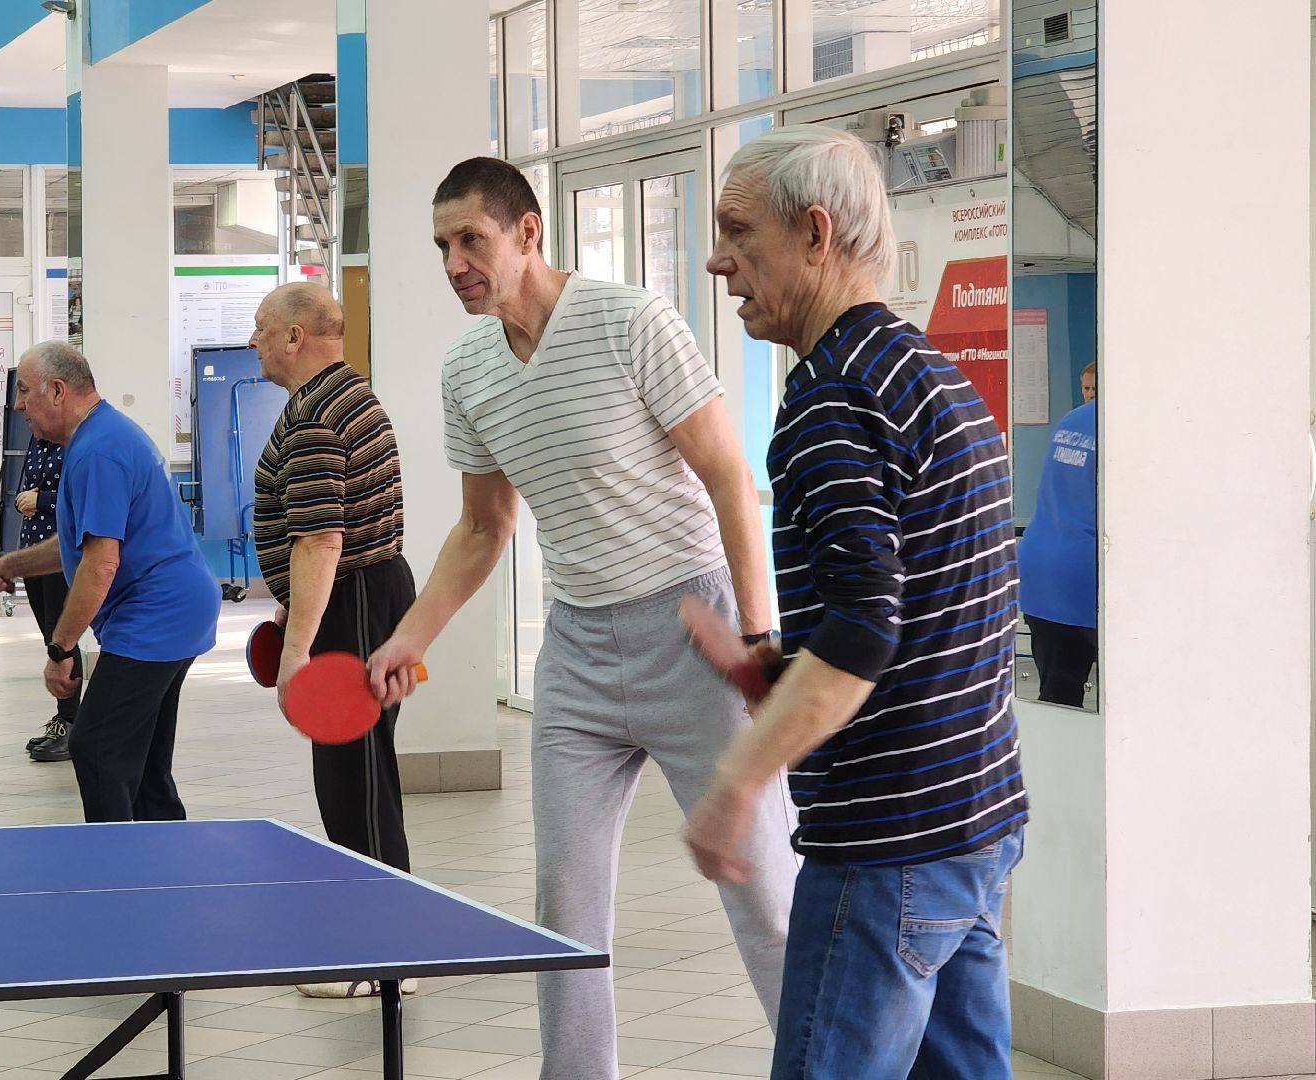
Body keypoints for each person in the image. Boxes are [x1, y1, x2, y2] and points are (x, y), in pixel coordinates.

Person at [364, 156, 798, 1076]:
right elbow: (485, 527)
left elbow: (729, 478)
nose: (453, 264)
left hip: (694, 632)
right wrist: (413, 634)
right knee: (561, 906)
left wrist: (757, 639)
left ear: (527, 234)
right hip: (576, 656)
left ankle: (821, 1063)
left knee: (763, 890)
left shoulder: (631, 320)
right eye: (442, 247)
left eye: (469, 240)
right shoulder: (468, 369)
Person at [690, 125, 1028, 1078]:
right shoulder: (932, 379)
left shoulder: (832, 401)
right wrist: (779, 673)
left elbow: (866, 631)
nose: (718, 261)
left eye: (737, 232)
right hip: (977, 822)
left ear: (816, 233)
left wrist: (736, 780)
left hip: (888, 846)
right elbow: (922, 616)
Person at [249, 283, 418, 999]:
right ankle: (378, 945)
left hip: (353, 605)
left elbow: (321, 539)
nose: (253, 340)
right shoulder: (339, 396)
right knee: (360, 776)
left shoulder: (319, 416)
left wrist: (297, 654)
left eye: (261, 329)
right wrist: (290, 614)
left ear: (295, 336)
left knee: (355, 783)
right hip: (357, 598)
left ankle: (384, 957)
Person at [0, 343, 219, 823]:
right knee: (145, 762)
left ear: (58, 390)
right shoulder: (99, 437)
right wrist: (10, 565)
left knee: (96, 749)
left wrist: (61, 648)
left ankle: (117, 875)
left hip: (157, 615)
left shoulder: (97, 452)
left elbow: (100, 564)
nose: (19, 404)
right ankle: (164, 865)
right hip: (178, 608)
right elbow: (78, 542)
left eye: (24, 391)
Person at [1018, 393, 1097, 707]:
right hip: (1085, 577)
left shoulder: (1074, 419)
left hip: (1042, 570)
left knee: (1058, 701)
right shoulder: (1125, 426)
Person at [17, 431, 79, 763]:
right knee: (49, 636)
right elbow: (26, 486)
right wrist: (23, 498)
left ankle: (72, 721)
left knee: (61, 635)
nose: (21, 408)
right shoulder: (36, 440)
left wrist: (40, 501)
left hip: (61, 551)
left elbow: (78, 497)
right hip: (33, 548)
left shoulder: (75, 441)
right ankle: (64, 718)